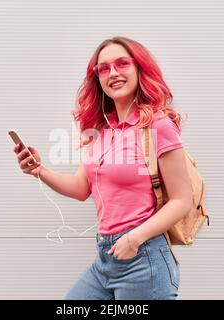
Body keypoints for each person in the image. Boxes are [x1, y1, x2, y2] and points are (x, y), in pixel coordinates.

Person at [13, 36, 193, 300]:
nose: (113, 73)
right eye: (104, 68)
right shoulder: (101, 131)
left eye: (123, 64)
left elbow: (182, 200)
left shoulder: (157, 125)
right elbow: (81, 188)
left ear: (139, 69)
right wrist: (40, 170)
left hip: (144, 259)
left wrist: (133, 239)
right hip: (106, 259)